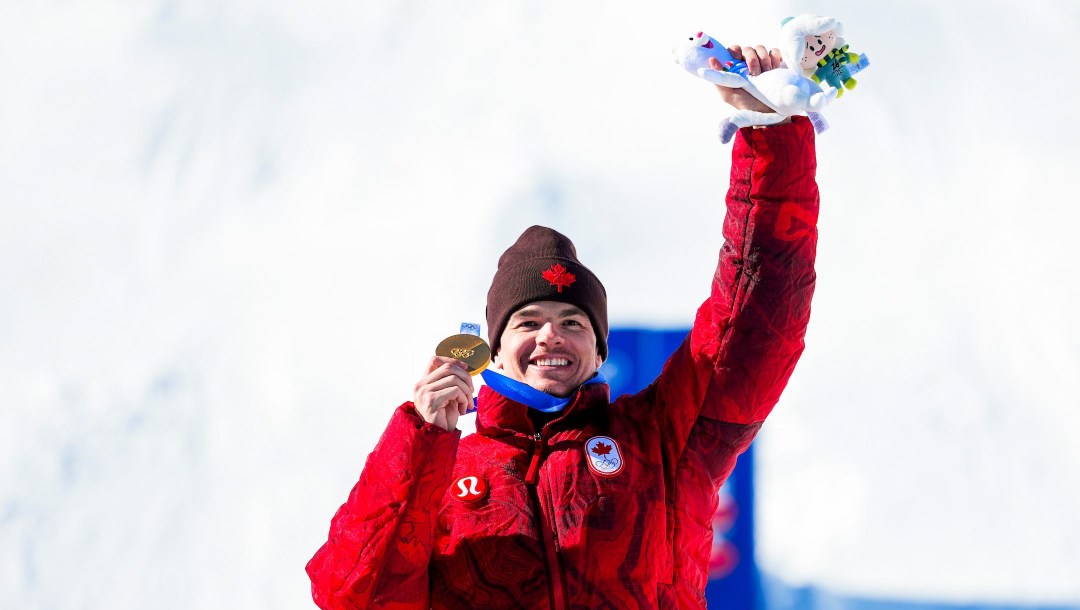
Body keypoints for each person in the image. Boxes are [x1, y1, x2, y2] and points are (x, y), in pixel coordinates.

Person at [307, 45, 819, 610]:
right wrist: (419, 439)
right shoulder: (442, 467)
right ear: (493, 351)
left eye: (572, 322)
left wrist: (770, 135)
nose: (550, 336)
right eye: (527, 321)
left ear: (599, 352)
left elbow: (754, 318)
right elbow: (351, 596)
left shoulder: (663, 442)